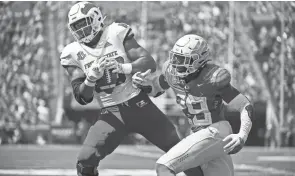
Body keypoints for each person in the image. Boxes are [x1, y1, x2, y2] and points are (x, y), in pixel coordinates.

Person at [60, 2, 203, 176]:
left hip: (139, 104)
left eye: (84, 23)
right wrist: (90, 79)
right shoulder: (72, 52)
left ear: (96, 18)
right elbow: (82, 97)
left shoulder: (115, 33)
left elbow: (149, 63)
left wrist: (123, 68)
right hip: (111, 112)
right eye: (77, 26)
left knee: (182, 153)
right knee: (85, 160)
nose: (81, 30)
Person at [132, 34, 254, 176]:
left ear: (199, 60)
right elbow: (156, 89)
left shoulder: (213, 78)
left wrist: (242, 135)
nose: (176, 63)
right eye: (175, 57)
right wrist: (144, 85)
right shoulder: (171, 73)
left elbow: (245, 105)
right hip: (199, 134)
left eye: (182, 59)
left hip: (215, 130)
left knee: (164, 167)